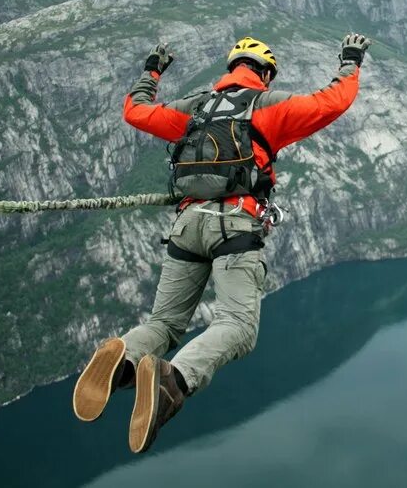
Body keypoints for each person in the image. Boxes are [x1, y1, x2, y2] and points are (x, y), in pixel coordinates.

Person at [71, 33, 371, 453]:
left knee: (164, 324)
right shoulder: (267, 106)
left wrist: (151, 72)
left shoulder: (195, 108)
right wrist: (350, 62)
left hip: (186, 225)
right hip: (233, 226)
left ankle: (123, 358)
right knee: (236, 326)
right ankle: (172, 380)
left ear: (230, 70)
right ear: (264, 73)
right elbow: (331, 102)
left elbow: (136, 112)